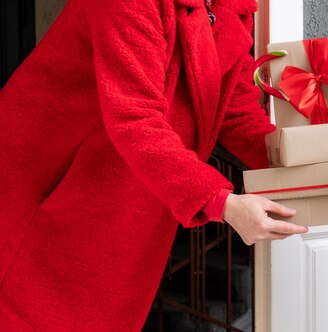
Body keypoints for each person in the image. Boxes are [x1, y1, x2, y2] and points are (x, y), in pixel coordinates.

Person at [0, 0, 307, 330]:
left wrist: (320, 174)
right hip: (51, 189)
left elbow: (237, 114)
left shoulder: (231, 8)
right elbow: (134, 117)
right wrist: (222, 202)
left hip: (132, 193)